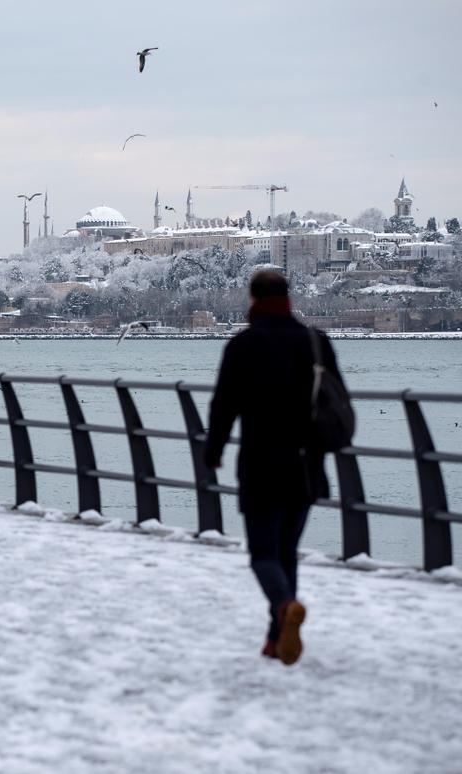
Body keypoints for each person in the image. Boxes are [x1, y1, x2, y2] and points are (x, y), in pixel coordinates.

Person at [205, 269, 345, 666]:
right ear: (289, 298)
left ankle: (284, 608)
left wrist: (212, 451)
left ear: (253, 300)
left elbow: (223, 405)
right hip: (306, 463)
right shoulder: (316, 343)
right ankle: (275, 638)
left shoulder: (244, 345)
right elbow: (337, 399)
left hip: (261, 463)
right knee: (287, 550)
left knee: (264, 554)